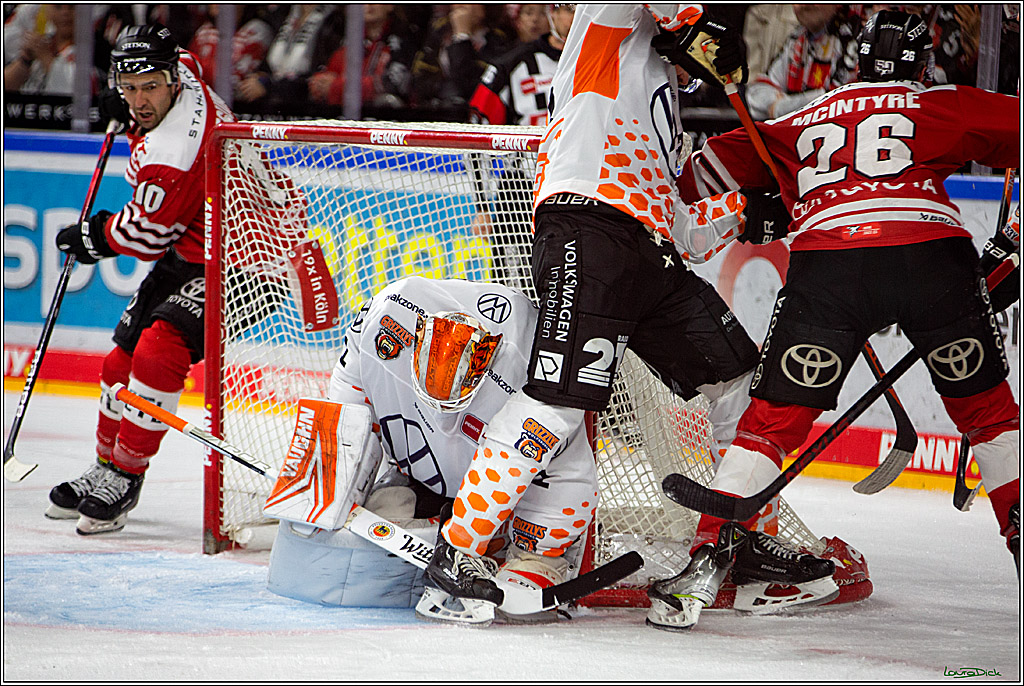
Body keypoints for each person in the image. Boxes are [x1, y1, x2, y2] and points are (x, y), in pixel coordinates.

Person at [673, 8, 1021, 626]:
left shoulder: (803, 118)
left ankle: (710, 554)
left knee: (770, 422)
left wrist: (766, 201)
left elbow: (698, 174)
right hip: (930, 258)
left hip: (829, 265)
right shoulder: (936, 104)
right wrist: (1015, 237)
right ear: (924, 62)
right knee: (989, 412)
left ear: (855, 61)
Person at [526, 4, 846, 632]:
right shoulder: (603, 38)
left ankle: (737, 537)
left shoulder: (664, 104)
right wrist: (701, 23)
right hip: (590, 228)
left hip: (644, 253)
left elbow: (677, 223)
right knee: (560, 401)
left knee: (738, 377)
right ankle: (472, 548)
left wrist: (749, 212)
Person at [267, 276, 599, 625]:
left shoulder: (531, 359)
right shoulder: (385, 317)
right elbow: (347, 407)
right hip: (434, 469)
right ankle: (440, 509)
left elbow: (514, 456)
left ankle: (541, 556)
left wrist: (461, 546)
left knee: (537, 528)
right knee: (378, 508)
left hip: (533, 485)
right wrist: (324, 489)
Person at [44, 24, 235, 535]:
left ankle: (126, 475)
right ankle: (105, 466)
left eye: (150, 87)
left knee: (159, 349)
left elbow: (145, 239)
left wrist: (96, 236)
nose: (139, 99)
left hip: (246, 255)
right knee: (118, 359)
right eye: (129, 88)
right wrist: (122, 105)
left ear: (172, 81)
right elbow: (183, 56)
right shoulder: (185, 70)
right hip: (196, 243)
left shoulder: (174, 154)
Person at [466, 3, 576, 292]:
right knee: (510, 286)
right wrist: (482, 206)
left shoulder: (605, 62)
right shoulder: (513, 64)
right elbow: (476, 132)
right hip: (521, 190)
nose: (575, 17)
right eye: (567, 9)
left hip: (580, 187)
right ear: (553, 14)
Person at [745, 4, 862, 121]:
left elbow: (838, 102)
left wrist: (780, 107)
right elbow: (756, 92)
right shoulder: (798, 38)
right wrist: (781, 106)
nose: (805, 4)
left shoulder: (854, 38)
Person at [410, 4, 516, 117]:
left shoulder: (499, 38)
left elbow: (471, 84)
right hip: (436, 111)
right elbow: (420, 77)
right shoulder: (440, 29)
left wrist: (461, 36)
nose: (461, 5)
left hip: (472, 114)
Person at [307, 4, 416, 111]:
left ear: (390, 5)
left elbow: (394, 84)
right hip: (346, 116)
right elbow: (321, 81)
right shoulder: (339, 36)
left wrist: (337, 87)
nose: (368, 5)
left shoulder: (403, 40)